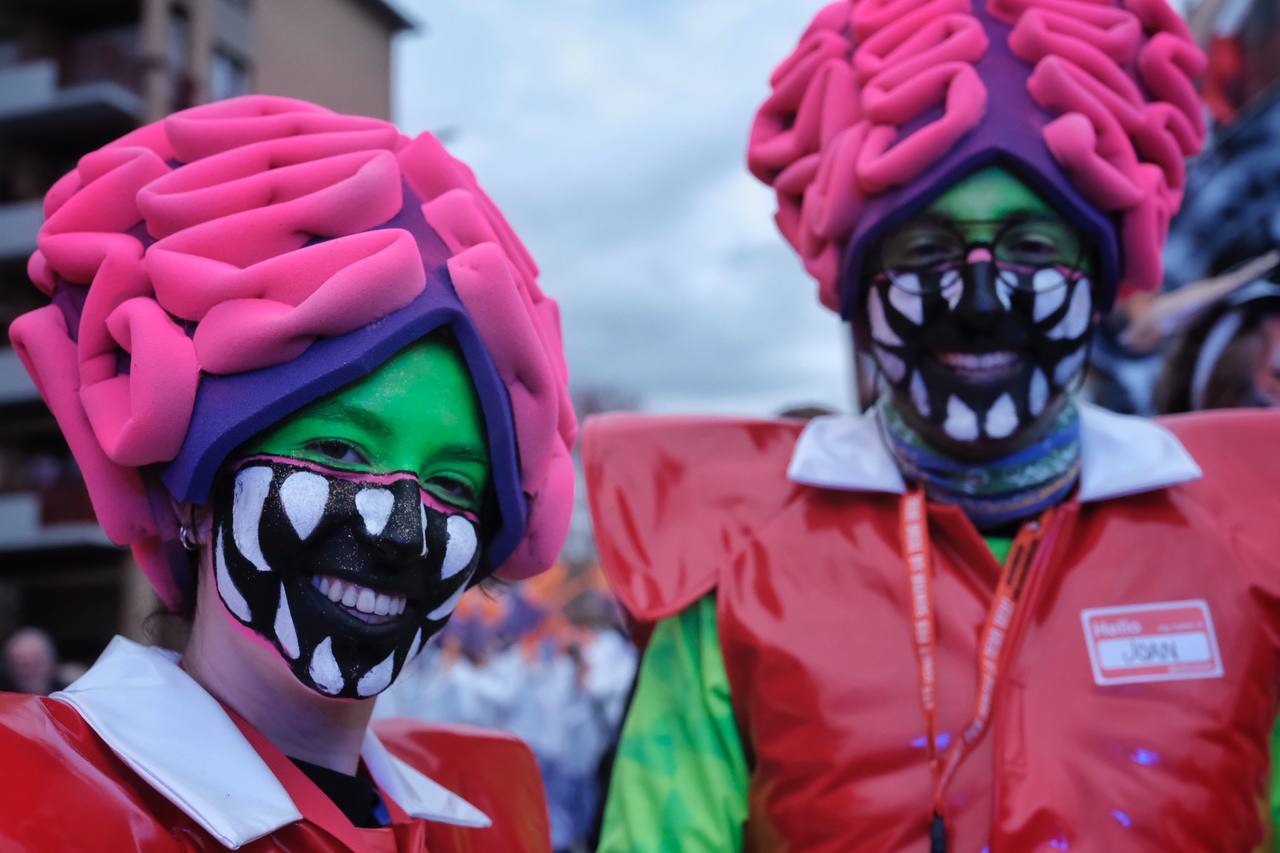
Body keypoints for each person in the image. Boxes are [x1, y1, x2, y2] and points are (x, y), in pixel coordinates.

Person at [587, 1, 1280, 850]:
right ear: (859, 285)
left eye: (1030, 248)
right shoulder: (734, 563)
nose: (983, 303)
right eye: (925, 253)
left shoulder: (1253, 541)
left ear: (1096, 278)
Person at [0, 95, 575, 851]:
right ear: (196, 498)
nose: (405, 530)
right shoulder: (29, 797)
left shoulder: (489, 811)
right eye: (339, 452)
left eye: (452, 486)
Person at [1, 627, 64, 695]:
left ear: (52, 663)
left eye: (37, 663)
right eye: (21, 664)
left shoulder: (72, 699)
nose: (29, 671)